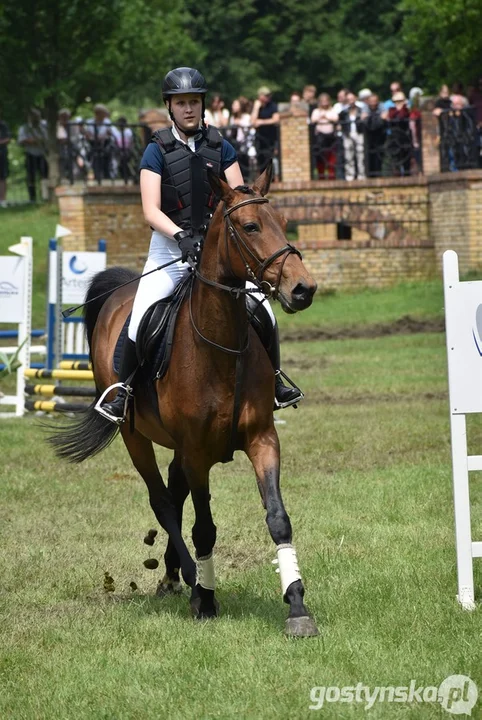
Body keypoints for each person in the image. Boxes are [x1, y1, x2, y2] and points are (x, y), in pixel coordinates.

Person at [97, 67, 303, 423]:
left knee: (264, 312)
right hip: (169, 251)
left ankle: (275, 380)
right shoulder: (155, 150)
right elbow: (150, 210)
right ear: (170, 107)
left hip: (219, 254)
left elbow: (241, 199)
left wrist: (216, 238)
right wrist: (180, 236)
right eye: (181, 103)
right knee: (141, 315)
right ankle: (123, 392)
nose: (188, 108)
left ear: (202, 104)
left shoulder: (221, 147)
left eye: (194, 101)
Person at [17, 109, 49, 202]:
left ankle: (45, 196)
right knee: (31, 176)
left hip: (43, 154)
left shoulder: (44, 126)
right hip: (30, 154)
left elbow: (47, 139)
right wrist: (33, 141)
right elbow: (21, 140)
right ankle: (32, 198)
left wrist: (37, 141)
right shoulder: (24, 128)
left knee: (45, 176)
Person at [250, 86, 280, 175]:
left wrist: (261, 122)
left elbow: (276, 119)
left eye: (268, 95)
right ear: (260, 96)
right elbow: (252, 122)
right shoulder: (257, 107)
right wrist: (256, 108)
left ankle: (272, 179)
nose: (268, 97)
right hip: (259, 139)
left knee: (269, 161)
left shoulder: (273, 106)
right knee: (260, 161)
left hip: (270, 139)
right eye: (265, 95)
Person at [338, 91, 366, 180]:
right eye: (349, 99)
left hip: (359, 133)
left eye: (352, 99)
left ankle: (361, 174)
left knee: (360, 154)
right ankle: (350, 175)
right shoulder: (343, 112)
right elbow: (340, 123)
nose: (351, 101)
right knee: (348, 155)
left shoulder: (361, 110)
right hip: (348, 134)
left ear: (355, 99)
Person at [310, 93, 338, 179]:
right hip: (320, 137)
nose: (324, 103)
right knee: (320, 158)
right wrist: (320, 117)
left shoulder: (332, 110)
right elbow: (313, 120)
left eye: (326, 101)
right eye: (322, 101)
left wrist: (326, 117)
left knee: (331, 157)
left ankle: (331, 177)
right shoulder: (316, 111)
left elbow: (336, 119)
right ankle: (321, 176)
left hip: (331, 137)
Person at [361, 94, 387, 177]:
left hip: (380, 136)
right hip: (369, 138)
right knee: (369, 157)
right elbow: (363, 118)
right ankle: (369, 175)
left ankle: (379, 175)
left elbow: (385, 116)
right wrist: (378, 117)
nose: (373, 103)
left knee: (379, 156)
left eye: (375, 101)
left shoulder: (381, 106)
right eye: (371, 101)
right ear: (368, 102)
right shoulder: (365, 107)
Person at [0, 107, 11, 207]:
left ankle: (2, 200)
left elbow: (8, 139)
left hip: (1, 154)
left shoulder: (3, 125)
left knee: (2, 177)